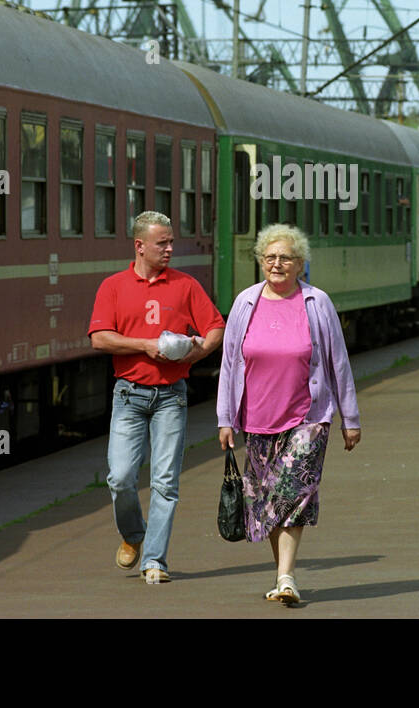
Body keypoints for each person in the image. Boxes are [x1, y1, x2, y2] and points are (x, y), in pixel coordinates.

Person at [217, 224, 361, 606]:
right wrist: (225, 419)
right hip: (257, 419)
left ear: (300, 264)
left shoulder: (317, 303)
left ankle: (286, 576)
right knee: (267, 500)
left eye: (286, 258)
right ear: (261, 261)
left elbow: (338, 363)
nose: (277, 264)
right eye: (270, 258)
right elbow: (231, 363)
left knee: (291, 493)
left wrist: (351, 418)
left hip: (308, 417)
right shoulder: (246, 303)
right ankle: (282, 575)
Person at [89, 211, 225, 584]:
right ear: (140, 246)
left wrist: (195, 353)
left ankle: (155, 561)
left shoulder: (185, 285)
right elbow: (100, 337)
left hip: (171, 398)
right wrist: (145, 346)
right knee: (120, 478)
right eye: (162, 243)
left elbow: (216, 328)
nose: (170, 249)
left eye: (171, 242)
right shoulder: (113, 286)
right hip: (128, 395)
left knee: (166, 482)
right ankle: (134, 534)